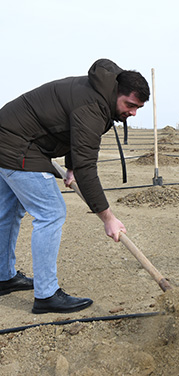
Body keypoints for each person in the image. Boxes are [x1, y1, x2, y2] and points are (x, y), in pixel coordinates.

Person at [0, 59, 150, 314]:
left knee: (9, 211)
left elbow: (75, 133)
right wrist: (108, 218)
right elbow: (87, 168)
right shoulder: (93, 106)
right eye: (130, 105)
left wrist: (71, 167)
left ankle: (4, 277)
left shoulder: (99, 93)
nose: (133, 113)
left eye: (138, 108)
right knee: (51, 212)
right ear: (117, 93)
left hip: (7, 134)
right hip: (18, 144)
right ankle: (46, 295)